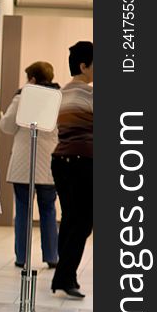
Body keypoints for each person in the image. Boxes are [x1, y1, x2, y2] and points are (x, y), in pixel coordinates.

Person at [0, 61, 60, 270]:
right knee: (49, 210)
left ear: (32, 79)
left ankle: (22, 257)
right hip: (49, 163)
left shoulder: (22, 97)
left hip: (23, 165)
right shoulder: (59, 99)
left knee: (23, 211)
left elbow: (6, 127)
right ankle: (52, 256)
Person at [50, 41, 93, 298]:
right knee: (84, 221)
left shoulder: (61, 94)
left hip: (61, 161)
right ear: (83, 66)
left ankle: (65, 276)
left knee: (69, 218)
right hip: (83, 162)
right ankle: (65, 276)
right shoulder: (89, 95)